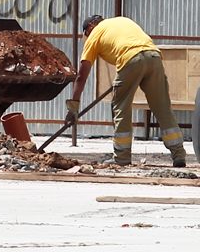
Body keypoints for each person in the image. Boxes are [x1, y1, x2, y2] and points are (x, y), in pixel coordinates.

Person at [67, 15, 187, 167]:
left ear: (90, 26)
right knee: (162, 107)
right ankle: (178, 155)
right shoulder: (122, 20)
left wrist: (73, 107)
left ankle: (122, 157)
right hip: (153, 56)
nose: (88, 38)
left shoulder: (95, 34)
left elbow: (81, 76)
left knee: (121, 108)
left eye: (87, 35)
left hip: (130, 59)